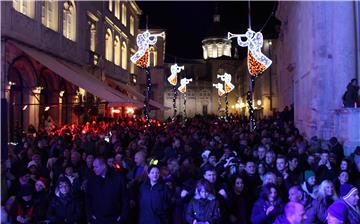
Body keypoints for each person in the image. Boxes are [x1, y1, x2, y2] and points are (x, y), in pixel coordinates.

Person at [86, 157, 128, 224]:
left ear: (104, 166)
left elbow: (125, 198)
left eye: (96, 167)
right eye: (93, 167)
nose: (93, 169)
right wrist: (90, 215)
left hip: (115, 218)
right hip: (97, 219)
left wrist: (123, 216)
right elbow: (88, 198)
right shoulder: (92, 180)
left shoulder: (118, 178)